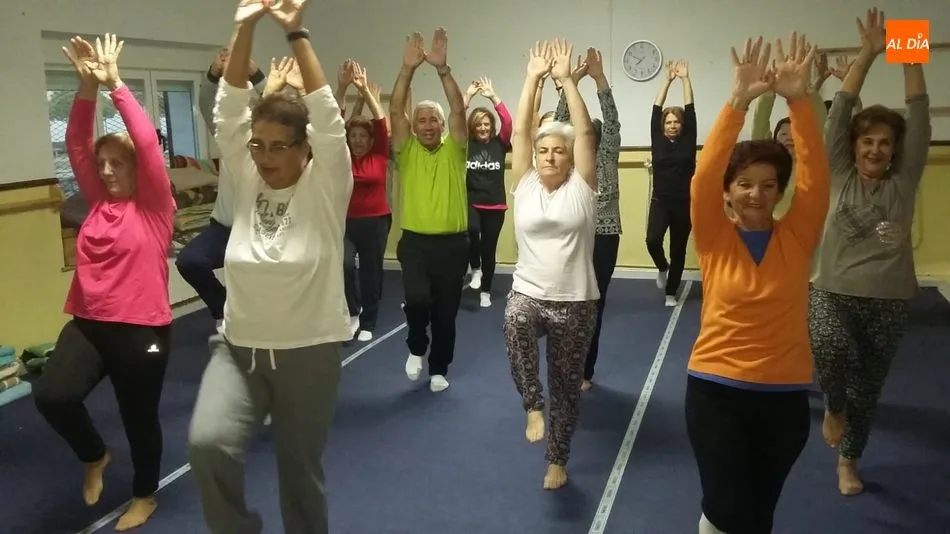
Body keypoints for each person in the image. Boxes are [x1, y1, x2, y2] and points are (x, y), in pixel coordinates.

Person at [186, 1, 352, 533]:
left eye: (280, 146)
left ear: (306, 149)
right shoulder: (245, 175)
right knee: (207, 444)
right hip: (238, 346)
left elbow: (326, 114)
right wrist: (245, 26)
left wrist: (295, 31)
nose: (264, 156)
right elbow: (229, 108)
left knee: (299, 476)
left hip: (308, 351)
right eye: (258, 145)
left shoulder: (326, 185)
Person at [685, 34, 829, 534]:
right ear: (728, 192)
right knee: (727, 507)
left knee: (760, 512)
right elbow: (702, 178)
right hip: (715, 389)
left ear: (780, 191)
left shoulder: (798, 236)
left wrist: (799, 100)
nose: (756, 194)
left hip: (784, 396)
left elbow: (815, 179)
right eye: (744, 183)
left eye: (769, 185)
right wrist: (737, 104)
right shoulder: (713, 238)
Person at [33, 33, 176, 531]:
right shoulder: (98, 203)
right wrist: (84, 89)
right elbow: (76, 142)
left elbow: (144, 145)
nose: (109, 171)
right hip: (90, 324)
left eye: (119, 163)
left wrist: (115, 85)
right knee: (52, 397)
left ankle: (145, 494)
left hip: (144, 334)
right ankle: (94, 455)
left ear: (139, 167)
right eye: (103, 166)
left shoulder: (156, 206)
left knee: (139, 418)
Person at [808, 7, 931, 497]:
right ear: (854, 146)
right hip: (831, 290)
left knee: (870, 384)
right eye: (867, 141)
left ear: (895, 150)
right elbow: (841, 107)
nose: (875, 149)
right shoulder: (838, 171)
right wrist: (869, 50)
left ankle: (848, 460)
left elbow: (918, 111)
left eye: (884, 143)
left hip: (890, 298)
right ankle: (833, 403)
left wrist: (907, 42)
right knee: (831, 353)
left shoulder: (904, 181)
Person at [504, 39, 600, 491]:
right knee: (514, 319)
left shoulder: (581, 187)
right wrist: (530, 78)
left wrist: (564, 79)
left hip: (576, 302)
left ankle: (557, 460)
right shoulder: (524, 184)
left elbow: (582, 133)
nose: (549, 156)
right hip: (529, 291)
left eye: (558, 151)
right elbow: (521, 133)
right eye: (544, 151)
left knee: (567, 387)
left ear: (569, 158)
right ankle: (530, 403)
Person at [390, 28, 469, 392]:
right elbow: (395, 109)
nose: (426, 125)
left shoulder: (455, 150)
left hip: (453, 245)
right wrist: (407, 71)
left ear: (441, 126)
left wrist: (442, 70)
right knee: (419, 299)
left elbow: (457, 107)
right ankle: (416, 347)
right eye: (420, 120)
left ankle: (439, 368)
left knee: (446, 315)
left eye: (432, 120)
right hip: (416, 243)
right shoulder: (406, 153)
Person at [175, 48, 265, 330]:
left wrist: (257, 75)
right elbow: (206, 104)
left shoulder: (275, 143)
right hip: (223, 229)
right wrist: (214, 74)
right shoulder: (228, 135)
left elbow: (281, 104)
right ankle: (223, 309)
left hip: (259, 233)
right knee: (190, 261)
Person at [552, 46, 622, 391]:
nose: (587, 139)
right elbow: (558, 122)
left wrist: (598, 78)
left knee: (594, 303)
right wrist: (571, 80)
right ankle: (566, 363)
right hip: (573, 236)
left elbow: (612, 120)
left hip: (605, 236)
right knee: (569, 303)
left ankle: (584, 371)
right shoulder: (570, 164)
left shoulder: (607, 156)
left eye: (590, 135)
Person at [340, 60, 392, 342]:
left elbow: (381, 122)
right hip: (347, 222)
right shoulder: (343, 157)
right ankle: (353, 312)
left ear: (370, 140)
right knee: (344, 264)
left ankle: (369, 320)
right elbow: (336, 126)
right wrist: (347, 91)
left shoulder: (379, 154)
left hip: (375, 221)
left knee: (372, 272)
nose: (358, 140)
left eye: (363, 136)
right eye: (353, 136)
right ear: (348, 139)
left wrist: (366, 92)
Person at [647, 59, 697, 306]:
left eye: (676, 121)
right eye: (668, 122)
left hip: (685, 203)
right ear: (663, 126)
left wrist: (686, 79)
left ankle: (671, 292)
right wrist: (666, 81)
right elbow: (656, 108)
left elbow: (690, 107)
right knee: (652, 240)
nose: (673, 124)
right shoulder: (658, 140)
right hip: (661, 201)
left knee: (679, 249)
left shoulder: (688, 140)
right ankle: (661, 266)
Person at [462, 76, 512, 308]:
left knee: (489, 248)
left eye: (486, 124)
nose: (483, 128)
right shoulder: (467, 144)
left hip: (495, 205)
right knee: (471, 231)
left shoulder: (500, 143)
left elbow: (508, 121)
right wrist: (468, 95)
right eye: (478, 124)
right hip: (472, 202)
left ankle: (486, 290)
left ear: (491, 126)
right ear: (473, 128)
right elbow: (456, 120)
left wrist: (493, 96)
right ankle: (476, 269)